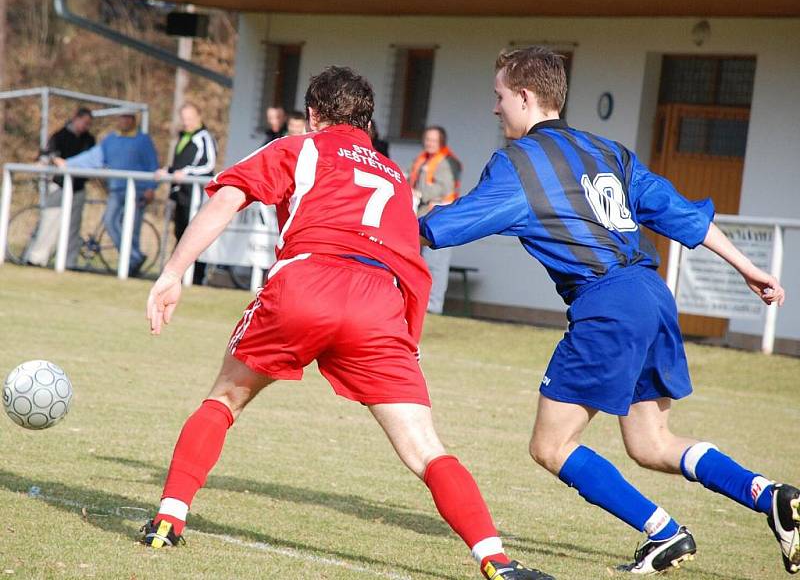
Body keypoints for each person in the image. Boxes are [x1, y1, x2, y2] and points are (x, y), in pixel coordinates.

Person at [141, 66, 553, 580]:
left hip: (306, 284)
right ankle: (496, 559)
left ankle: (168, 519)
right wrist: (407, 338)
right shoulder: (395, 177)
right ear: (368, 119)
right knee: (425, 448)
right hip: (377, 305)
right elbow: (412, 265)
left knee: (225, 399)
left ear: (312, 115)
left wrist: (173, 272)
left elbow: (227, 197)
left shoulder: (299, 147)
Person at [419, 46, 799, 576]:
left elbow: (445, 227)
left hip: (608, 304)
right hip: (652, 294)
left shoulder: (518, 164)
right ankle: (768, 496)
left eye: (499, 96)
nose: (494, 108)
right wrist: (746, 265)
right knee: (651, 442)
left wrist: (396, 218)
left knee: (550, 445)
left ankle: (663, 529)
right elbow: (676, 210)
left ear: (525, 97)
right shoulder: (608, 151)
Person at [56, 113, 159, 277]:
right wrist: (68, 163)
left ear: (133, 120)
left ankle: (132, 261)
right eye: (122, 117)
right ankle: (134, 257)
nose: (124, 120)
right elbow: (92, 158)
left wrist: (151, 187)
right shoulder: (111, 140)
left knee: (132, 227)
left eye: (128, 117)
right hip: (117, 190)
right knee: (110, 221)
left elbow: (153, 164)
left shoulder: (143, 140)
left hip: (137, 191)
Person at [156, 103, 217, 285]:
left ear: (199, 116)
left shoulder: (205, 137)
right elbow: (179, 165)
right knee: (180, 232)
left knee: (193, 235)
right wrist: (167, 171)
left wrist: (187, 173)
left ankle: (196, 277)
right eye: (184, 119)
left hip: (195, 195)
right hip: (180, 194)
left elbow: (208, 165)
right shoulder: (184, 137)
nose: (186, 122)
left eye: (190, 118)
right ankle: (178, 275)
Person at [27, 107, 96, 269]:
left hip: (78, 187)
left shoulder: (89, 140)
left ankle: (69, 261)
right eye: (84, 123)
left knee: (73, 227)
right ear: (76, 119)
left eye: (89, 124)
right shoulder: (60, 136)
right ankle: (37, 258)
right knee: (50, 221)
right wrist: (55, 160)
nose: (86, 127)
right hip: (59, 186)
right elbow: (46, 154)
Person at [409, 126, 461, 314]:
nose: (429, 143)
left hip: (440, 219)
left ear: (441, 142)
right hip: (421, 217)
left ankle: (434, 305)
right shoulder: (422, 159)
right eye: (427, 139)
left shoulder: (447, 163)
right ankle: (418, 303)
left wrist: (423, 194)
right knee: (418, 262)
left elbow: (446, 190)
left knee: (435, 264)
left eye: (433, 140)